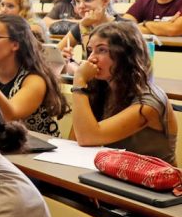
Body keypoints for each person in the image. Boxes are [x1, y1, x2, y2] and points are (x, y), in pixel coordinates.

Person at [71, 21, 177, 164]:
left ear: (126, 55)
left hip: (147, 182)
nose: (91, 58)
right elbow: (75, 138)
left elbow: (87, 137)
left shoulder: (149, 101)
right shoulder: (100, 88)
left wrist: (79, 82)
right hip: (107, 172)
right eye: (90, 50)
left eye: (102, 50)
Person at [57, 0, 124, 74]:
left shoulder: (123, 28)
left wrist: (84, 27)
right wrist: (66, 59)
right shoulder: (82, 25)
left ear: (105, 1)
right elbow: (54, 55)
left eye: (88, 0)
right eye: (77, 1)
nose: (81, 6)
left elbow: (94, 65)